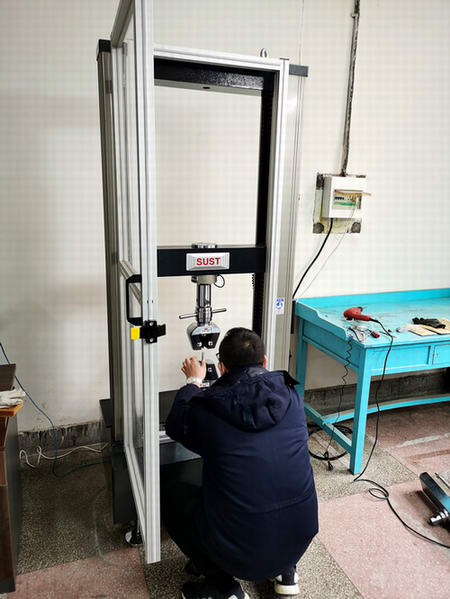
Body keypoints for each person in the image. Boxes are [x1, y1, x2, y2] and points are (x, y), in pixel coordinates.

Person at [162, 327, 318, 599]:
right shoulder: (292, 397)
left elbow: (176, 424)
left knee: (169, 495)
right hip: (300, 538)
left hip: (242, 552)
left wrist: (193, 382)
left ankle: (223, 587)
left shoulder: (209, 409)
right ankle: (286, 571)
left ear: (221, 367)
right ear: (265, 361)